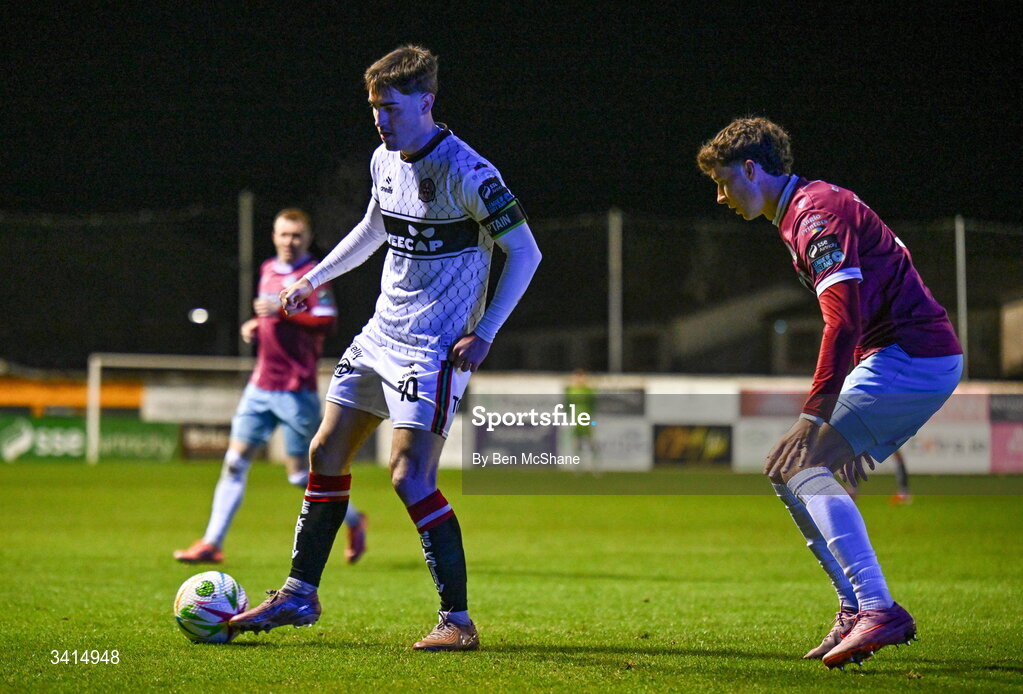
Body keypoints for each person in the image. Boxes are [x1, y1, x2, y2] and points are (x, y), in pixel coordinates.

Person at [230, 45, 541, 651]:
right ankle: (299, 593)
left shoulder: (470, 173)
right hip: (380, 334)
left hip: (434, 348)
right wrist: (312, 279)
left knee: (409, 475)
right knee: (325, 451)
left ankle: (458, 621)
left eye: (391, 108)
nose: (381, 120)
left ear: (426, 102)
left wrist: (487, 332)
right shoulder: (384, 159)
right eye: (375, 108)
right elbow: (375, 227)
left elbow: (525, 252)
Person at [697, 117, 962, 669]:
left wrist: (815, 415)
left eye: (723, 182)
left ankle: (876, 608)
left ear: (752, 168)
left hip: (912, 357)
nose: (720, 197)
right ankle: (855, 606)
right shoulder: (806, 209)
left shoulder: (815, 215)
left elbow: (841, 323)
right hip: (903, 357)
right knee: (788, 469)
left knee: (800, 462)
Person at [174, 209, 368, 566]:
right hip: (260, 385)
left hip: (296, 390)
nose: (289, 242)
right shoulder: (267, 269)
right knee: (234, 462)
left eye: (296, 235)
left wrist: (279, 313)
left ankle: (355, 520)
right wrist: (255, 325)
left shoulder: (316, 275)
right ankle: (212, 542)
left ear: (307, 238)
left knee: (300, 474)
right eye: (283, 234)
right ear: (274, 236)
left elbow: (327, 321)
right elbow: (271, 316)